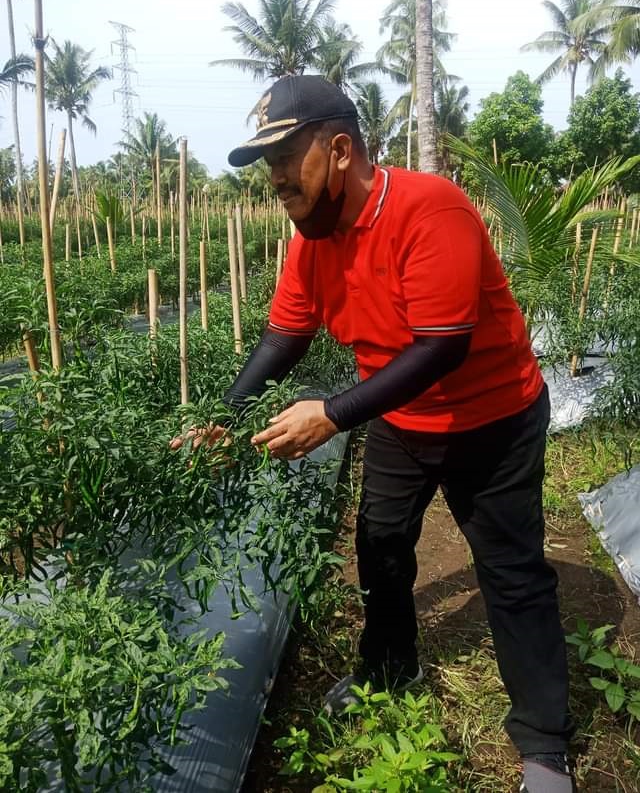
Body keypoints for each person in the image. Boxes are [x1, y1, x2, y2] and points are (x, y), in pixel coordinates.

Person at [171, 75, 575, 793]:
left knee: (511, 574)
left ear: (339, 147)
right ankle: (390, 666)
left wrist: (331, 412)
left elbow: (441, 344)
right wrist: (227, 416)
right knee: (380, 545)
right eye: (267, 166)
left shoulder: (429, 209)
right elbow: (282, 338)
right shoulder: (311, 241)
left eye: (286, 159)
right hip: (400, 418)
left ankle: (544, 748)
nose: (276, 181)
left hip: (493, 418)